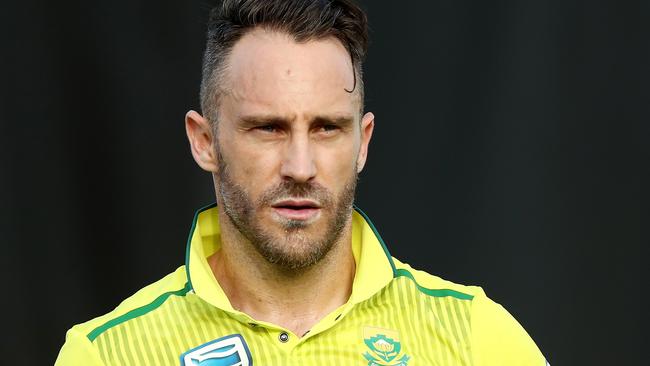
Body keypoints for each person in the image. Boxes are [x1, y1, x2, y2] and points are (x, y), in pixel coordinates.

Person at [56, 0, 548, 365]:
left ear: (362, 142)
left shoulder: (475, 338)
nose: (300, 166)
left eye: (327, 128)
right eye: (268, 128)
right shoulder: (107, 354)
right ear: (204, 141)